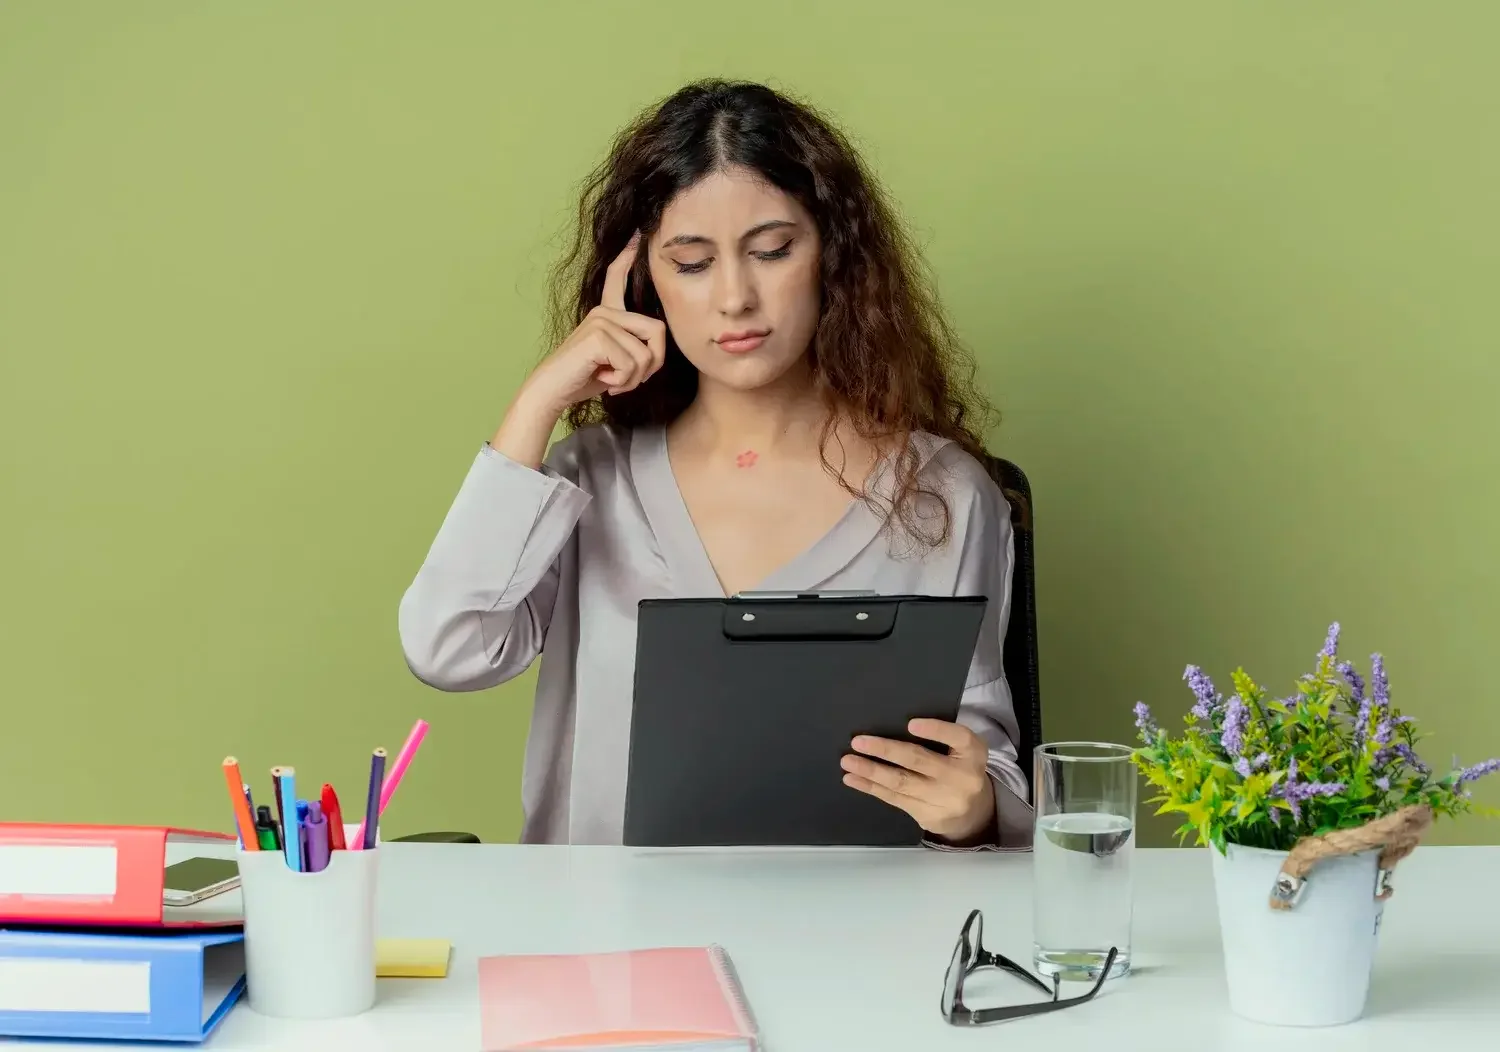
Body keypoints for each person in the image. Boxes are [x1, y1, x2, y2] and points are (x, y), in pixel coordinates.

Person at [398, 79, 1031, 850]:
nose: (736, 297)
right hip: (603, 949)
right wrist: (539, 401)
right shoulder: (585, 480)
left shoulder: (944, 496)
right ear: (643, 282)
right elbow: (447, 645)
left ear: (833, 253)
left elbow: (988, 762)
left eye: (772, 251)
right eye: (692, 263)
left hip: (849, 947)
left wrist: (975, 811)